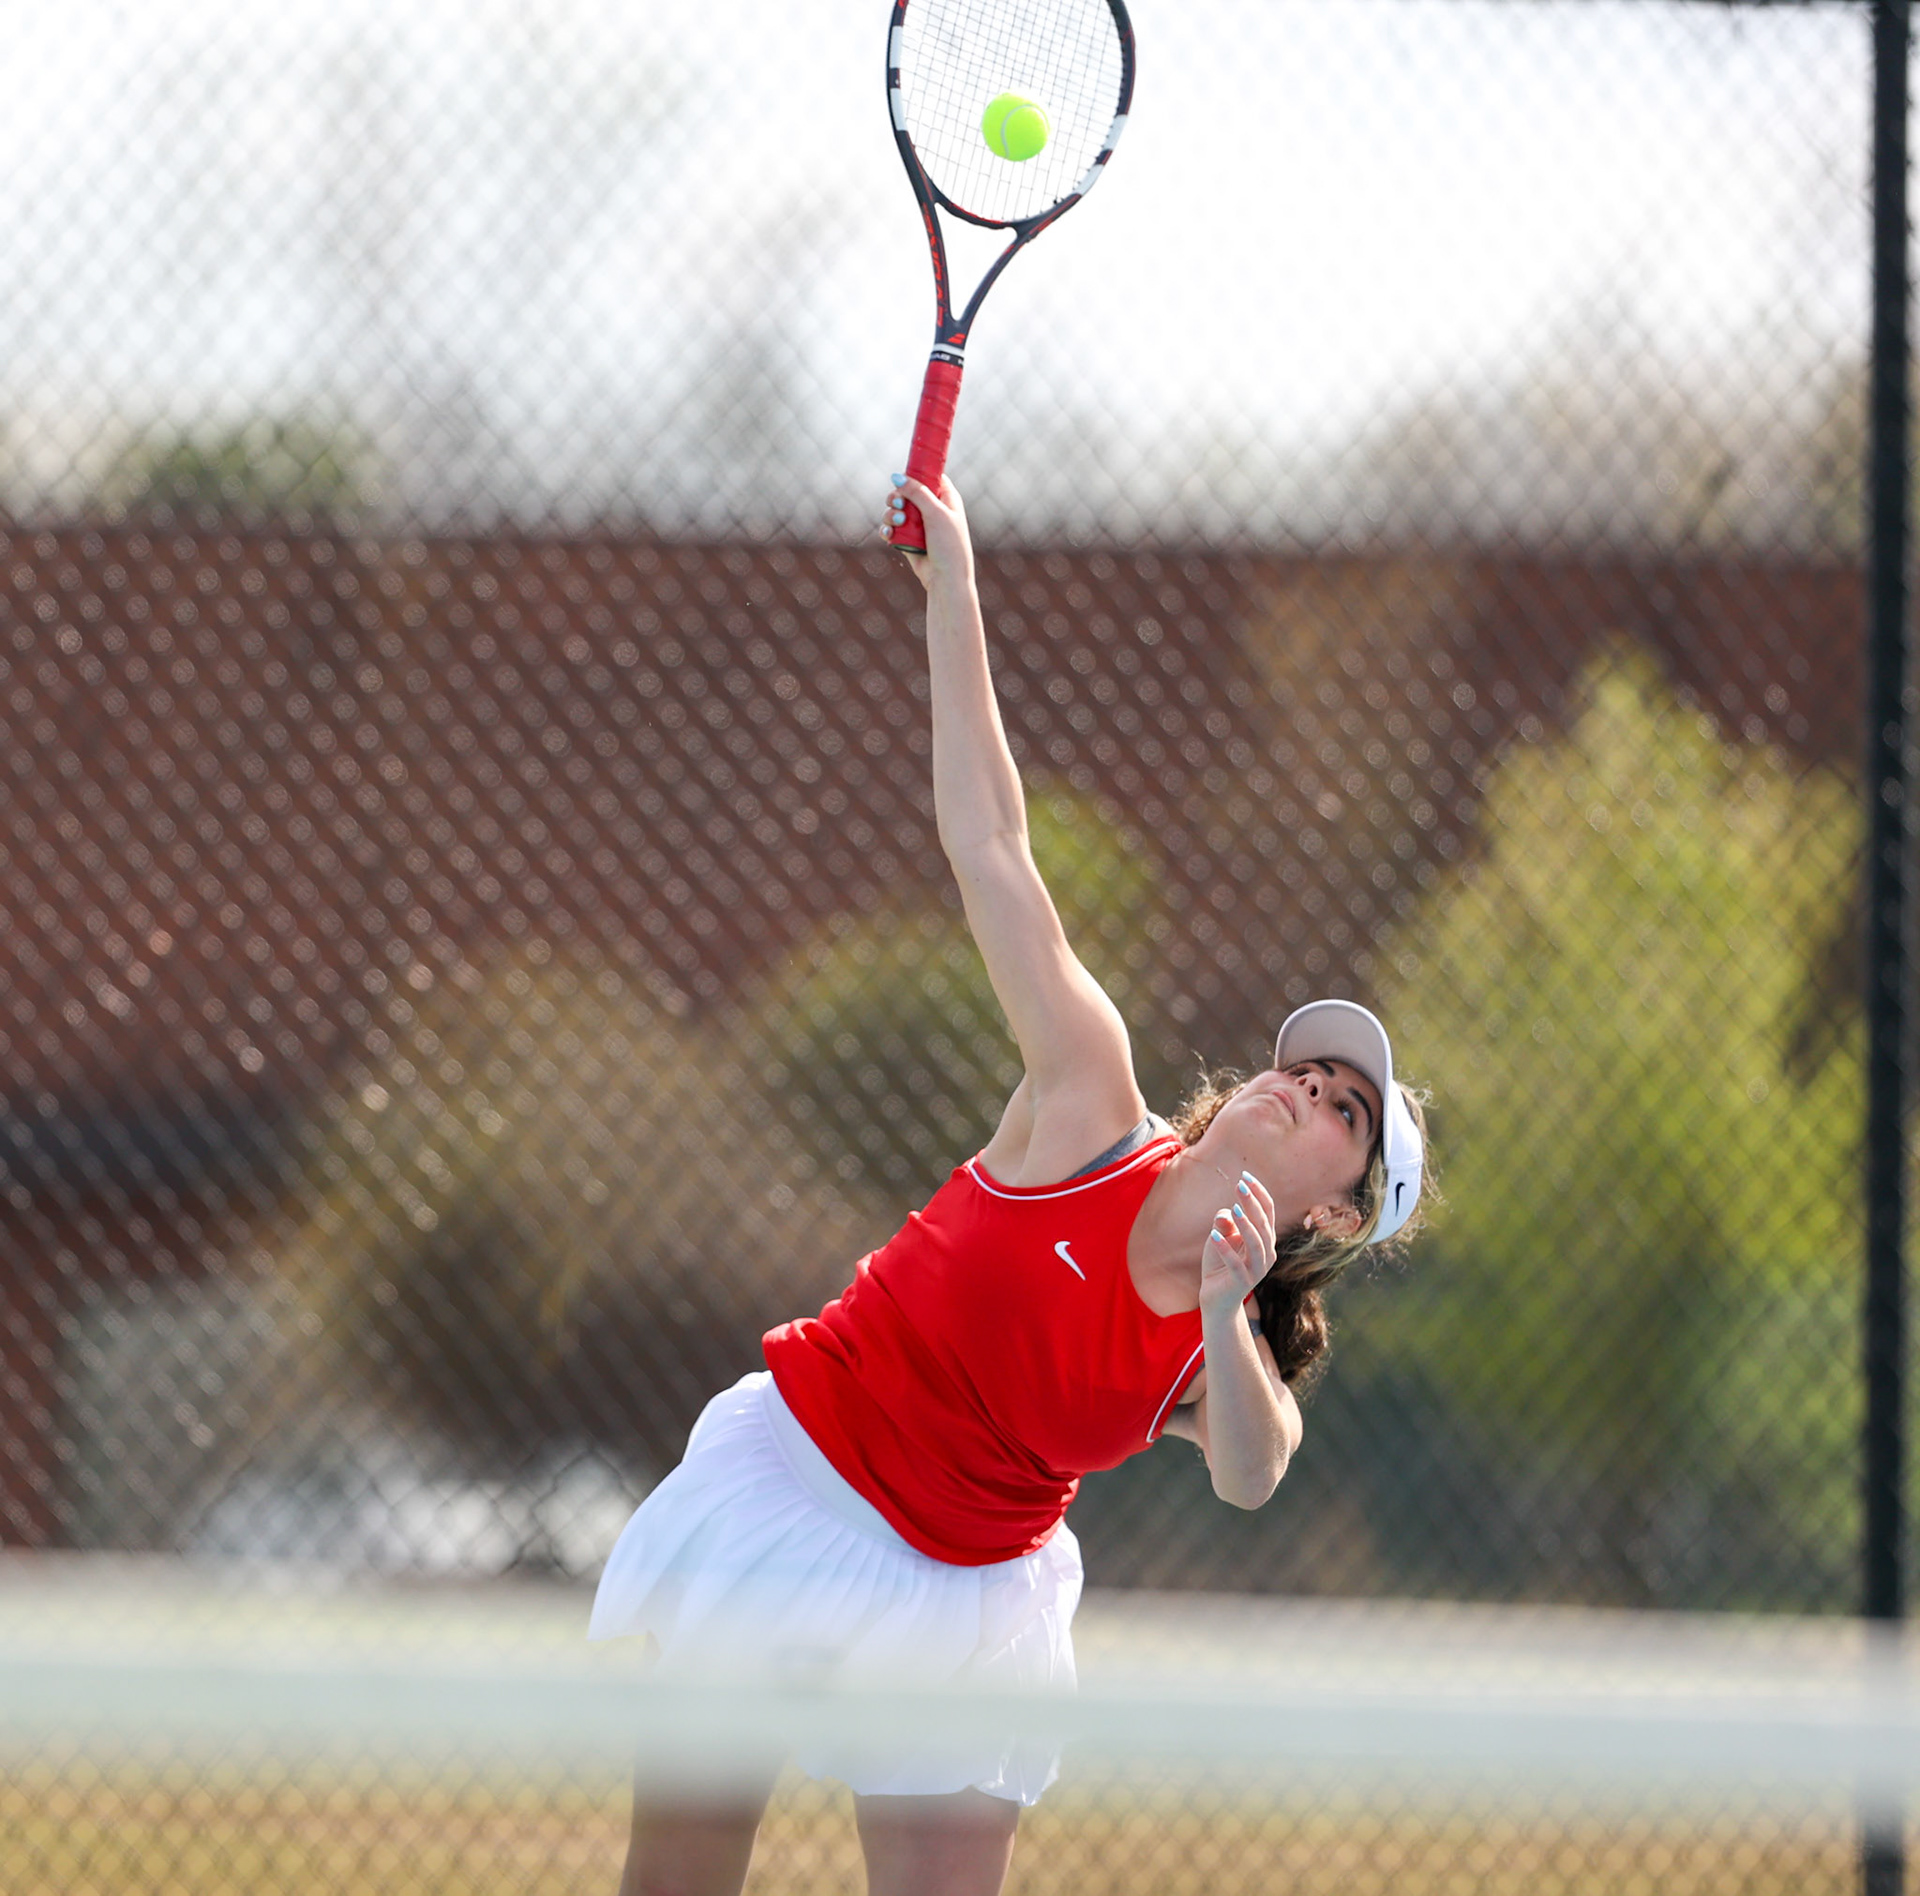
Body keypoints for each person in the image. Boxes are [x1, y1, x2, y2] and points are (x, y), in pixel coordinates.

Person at [589, 473, 1429, 1896]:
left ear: (1337, 1212)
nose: (1308, 1092)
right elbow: (991, 848)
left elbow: (1252, 1469)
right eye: (1310, 1069)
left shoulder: (1221, 1335)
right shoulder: (1091, 1099)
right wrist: (955, 585)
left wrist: (1225, 1312)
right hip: (800, 1478)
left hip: (964, 1595)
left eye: (1347, 1113)